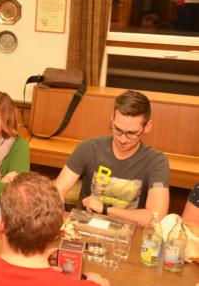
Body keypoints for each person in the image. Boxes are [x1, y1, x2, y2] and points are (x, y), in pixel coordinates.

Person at [55, 90, 170, 226]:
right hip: (84, 228)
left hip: (129, 232)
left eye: (131, 133)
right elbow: (58, 189)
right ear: (112, 119)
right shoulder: (89, 148)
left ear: (147, 127)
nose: (122, 139)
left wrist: (105, 209)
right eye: (117, 129)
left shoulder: (156, 162)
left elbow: (156, 217)